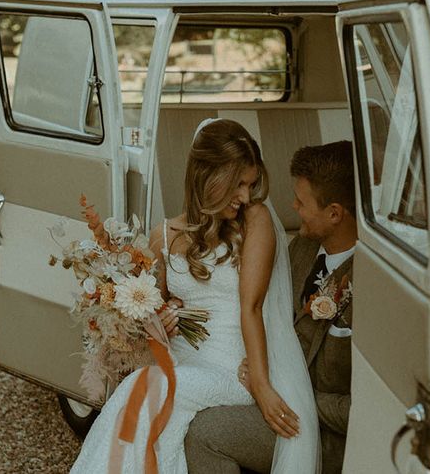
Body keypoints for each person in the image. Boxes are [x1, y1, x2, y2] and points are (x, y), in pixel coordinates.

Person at [70, 119, 320, 474]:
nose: (246, 196)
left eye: (250, 185)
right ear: (207, 176)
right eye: (238, 184)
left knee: (147, 388)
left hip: (235, 372)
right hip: (182, 365)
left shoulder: (255, 222)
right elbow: (150, 315)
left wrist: (262, 387)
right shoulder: (165, 236)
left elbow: (252, 307)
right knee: (163, 423)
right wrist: (165, 321)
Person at [185, 140, 356, 474]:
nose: (292, 207)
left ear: (334, 213)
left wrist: (292, 397)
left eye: (301, 202)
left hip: (324, 433)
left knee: (205, 433)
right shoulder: (303, 250)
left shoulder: (371, 288)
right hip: (278, 395)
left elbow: (366, 411)